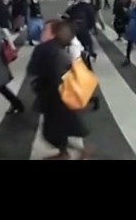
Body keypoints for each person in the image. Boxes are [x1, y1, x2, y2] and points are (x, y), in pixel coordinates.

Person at [27, 19, 90, 160]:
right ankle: (69, 152)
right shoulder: (60, 47)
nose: (42, 31)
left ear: (53, 33)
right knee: (61, 127)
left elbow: (33, 70)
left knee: (52, 131)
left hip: (56, 95)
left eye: (45, 29)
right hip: (61, 94)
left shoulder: (47, 49)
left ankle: (71, 152)